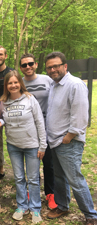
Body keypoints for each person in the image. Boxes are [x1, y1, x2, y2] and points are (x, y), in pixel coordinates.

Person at [44, 52, 97, 225]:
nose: (52, 70)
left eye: (56, 66)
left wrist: (69, 137)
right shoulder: (53, 85)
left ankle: (91, 215)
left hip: (68, 142)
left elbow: (81, 116)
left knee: (75, 179)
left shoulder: (75, 85)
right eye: (49, 67)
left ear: (65, 66)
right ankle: (63, 206)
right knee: (59, 177)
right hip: (55, 141)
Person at [0, 70, 46, 223]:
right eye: (10, 83)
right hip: (13, 145)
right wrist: (0, 122)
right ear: (6, 85)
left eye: (16, 82)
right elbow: (3, 119)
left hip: (32, 146)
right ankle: (22, 206)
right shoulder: (4, 101)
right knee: (19, 178)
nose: (13, 85)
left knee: (33, 179)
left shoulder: (30, 99)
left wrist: (42, 145)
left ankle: (35, 209)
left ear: (20, 84)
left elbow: (39, 122)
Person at [20, 53, 57, 210]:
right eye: (24, 65)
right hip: (27, 129)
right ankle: (30, 192)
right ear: (21, 68)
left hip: (47, 127)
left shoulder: (47, 80)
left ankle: (51, 194)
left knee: (49, 163)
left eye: (30, 63)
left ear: (35, 64)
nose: (28, 67)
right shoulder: (19, 83)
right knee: (30, 163)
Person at [0, 45, 13, 178]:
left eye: (1, 54)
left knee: (16, 140)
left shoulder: (11, 73)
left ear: (5, 56)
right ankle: (0, 168)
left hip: (11, 109)